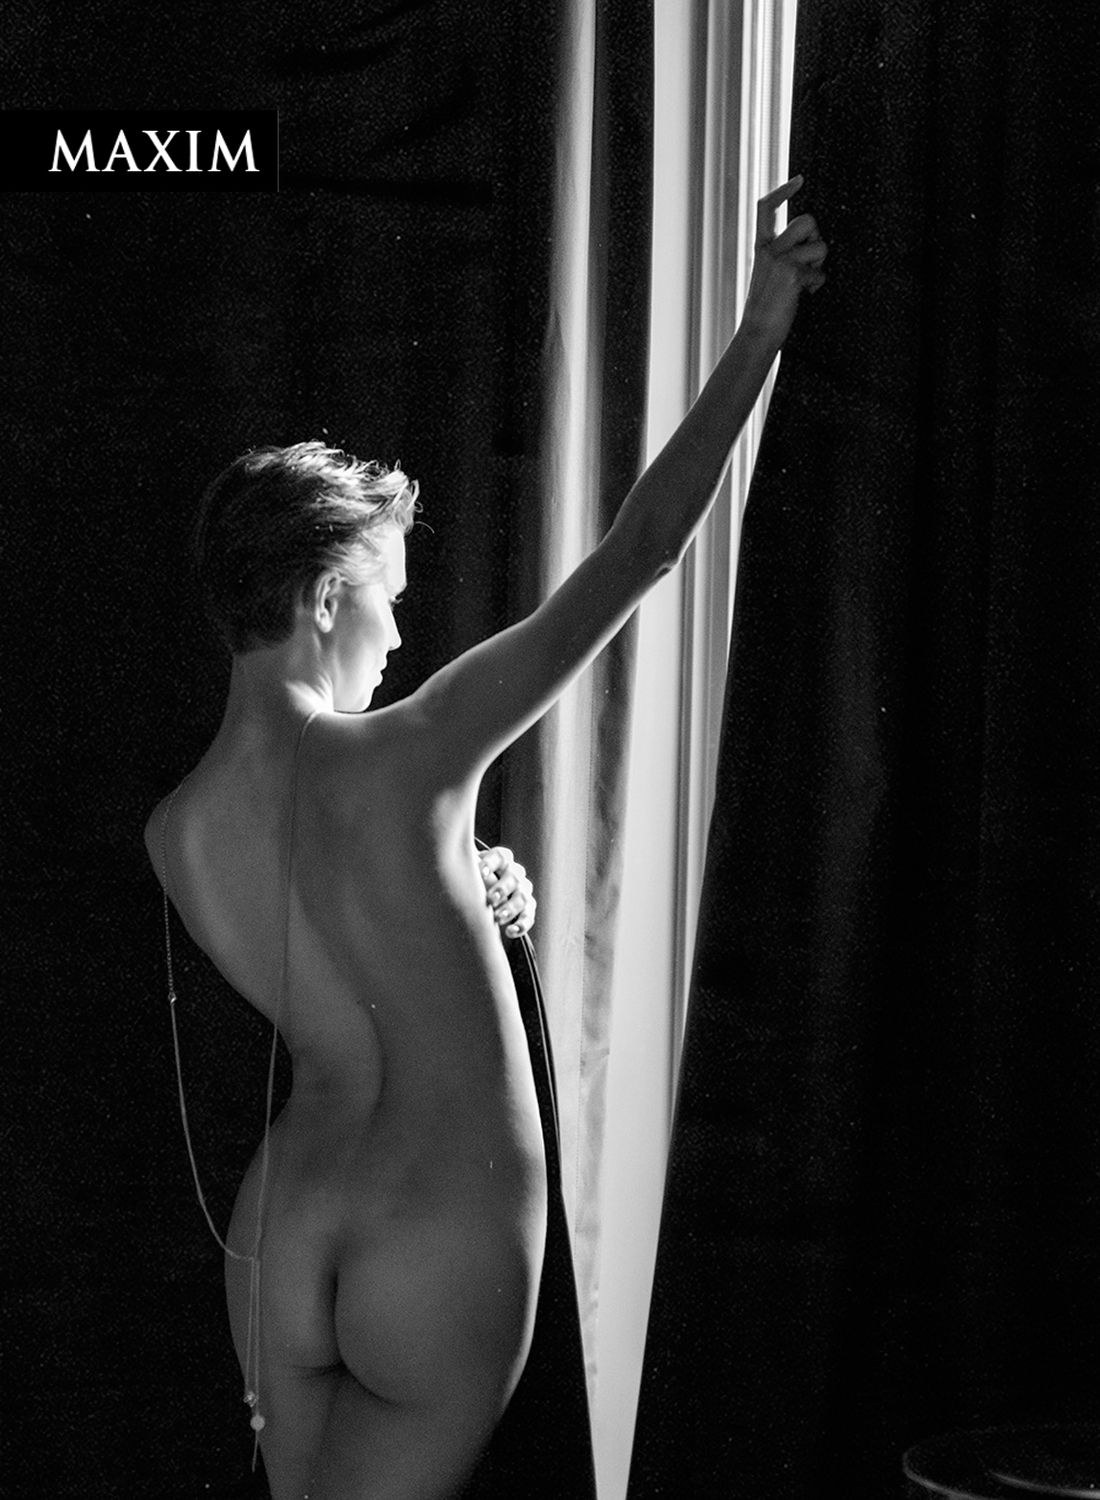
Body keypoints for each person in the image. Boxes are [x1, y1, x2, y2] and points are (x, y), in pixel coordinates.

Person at [145, 175, 826, 1500]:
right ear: (327, 595)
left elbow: (352, 944)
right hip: (434, 1229)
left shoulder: (175, 832)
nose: (400, 635)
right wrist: (762, 327)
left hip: (283, 1225)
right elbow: (639, 553)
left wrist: (465, 882)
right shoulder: (410, 754)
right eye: (388, 599)